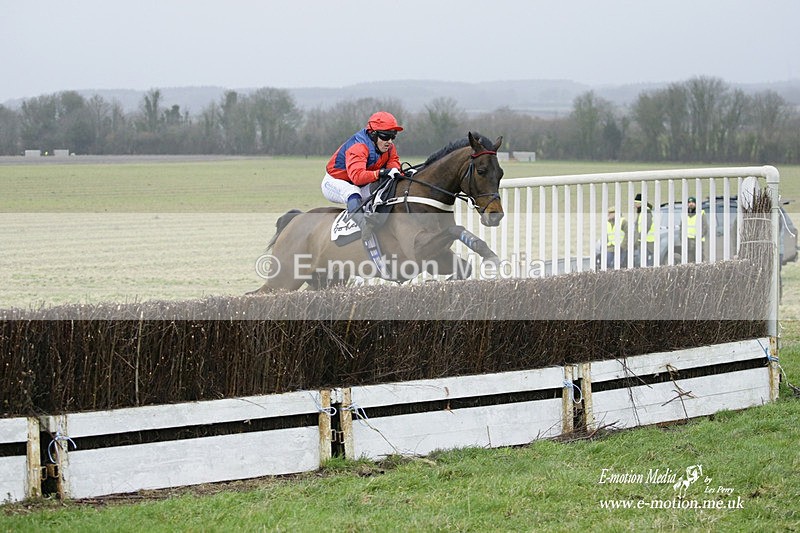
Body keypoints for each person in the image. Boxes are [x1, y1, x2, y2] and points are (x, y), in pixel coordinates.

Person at [321, 111, 405, 233]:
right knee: (352, 191)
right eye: (385, 136)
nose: (390, 141)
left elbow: (393, 163)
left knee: (385, 188)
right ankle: (363, 226)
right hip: (335, 182)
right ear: (373, 134)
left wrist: (399, 173)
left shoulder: (389, 147)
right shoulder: (358, 146)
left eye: (393, 136)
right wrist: (381, 173)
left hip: (361, 183)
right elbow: (357, 177)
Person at [633, 193, 655, 266]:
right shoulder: (641, 212)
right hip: (643, 241)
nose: (635, 204)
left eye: (636, 202)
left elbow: (647, 225)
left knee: (646, 263)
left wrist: (640, 237)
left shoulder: (646, 211)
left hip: (648, 242)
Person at [685, 196, 707, 262]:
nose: (691, 204)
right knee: (689, 260)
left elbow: (705, 227)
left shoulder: (701, 213)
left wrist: (699, 236)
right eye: (689, 202)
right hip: (688, 240)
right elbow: (682, 227)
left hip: (698, 240)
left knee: (699, 259)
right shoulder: (685, 213)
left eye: (693, 202)